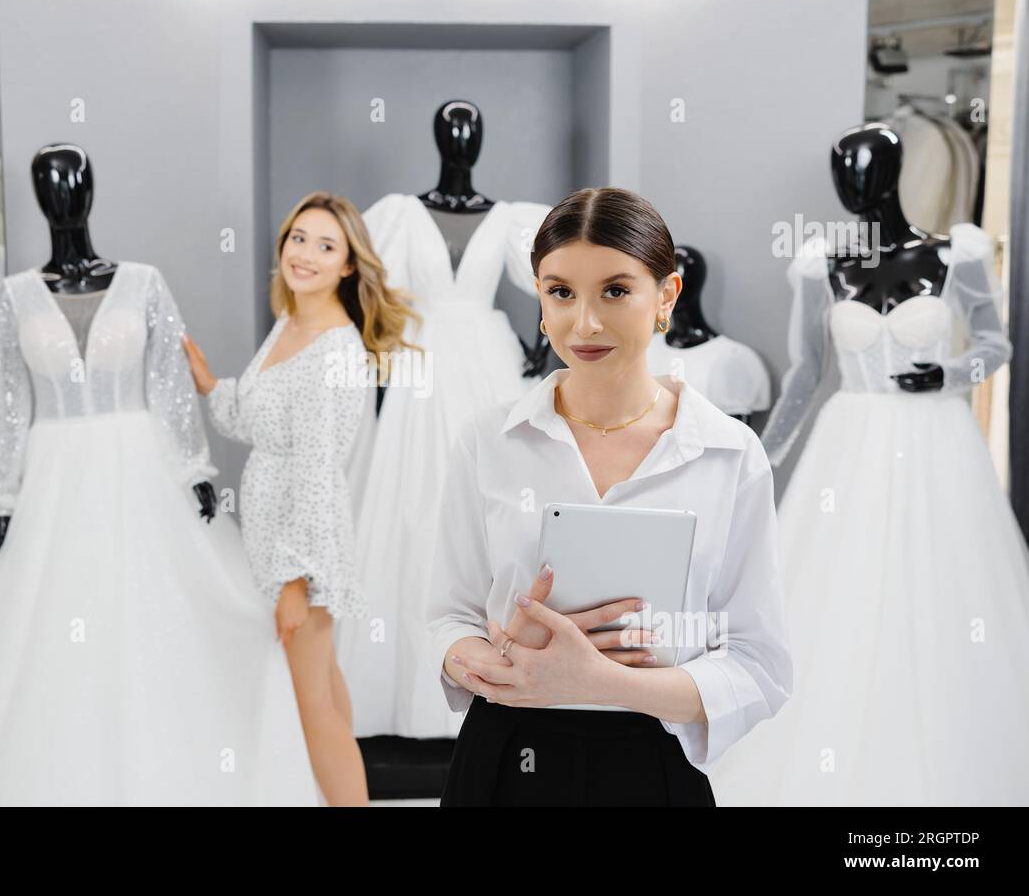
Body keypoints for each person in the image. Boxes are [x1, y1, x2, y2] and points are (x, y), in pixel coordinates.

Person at [427, 186, 793, 806]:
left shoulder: (728, 453)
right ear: (540, 301)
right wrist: (495, 663)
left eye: (616, 291)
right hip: (503, 759)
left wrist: (604, 682)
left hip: (651, 766)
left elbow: (759, 665)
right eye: (560, 292)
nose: (585, 322)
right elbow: (448, 620)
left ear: (666, 297)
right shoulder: (487, 441)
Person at [184, 191, 418, 806]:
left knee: (311, 709)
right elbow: (257, 426)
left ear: (347, 265)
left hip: (303, 541)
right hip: (275, 528)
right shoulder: (289, 325)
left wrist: (294, 580)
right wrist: (212, 386)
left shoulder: (336, 349)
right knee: (325, 689)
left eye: (325, 245)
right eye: (298, 239)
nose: (305, 254)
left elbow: (316, 468)